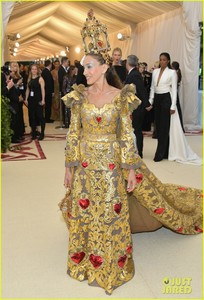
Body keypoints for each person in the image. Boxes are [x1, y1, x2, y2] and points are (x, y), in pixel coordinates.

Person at [59, 11, 202, 295]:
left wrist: (132, 169)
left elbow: (126, 136)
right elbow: (74, 132)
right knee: (87, 210)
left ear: (102, 68)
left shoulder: (121, 96)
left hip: (112, 165)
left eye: (88, 67)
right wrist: (68, 166)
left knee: (111, 213)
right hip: (86, 165)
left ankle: (114, 263)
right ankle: (86, 259)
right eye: (82, 67)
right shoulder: (79, 96)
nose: (83, 72)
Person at [147, 52, 201, 164]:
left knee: (164, 127)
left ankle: (160, 153)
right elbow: (152, 88)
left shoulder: (172, 73)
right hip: (157, 99)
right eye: (160, 59)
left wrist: (173, 105)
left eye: (164, 60)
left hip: (166, 99)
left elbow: (174, 90)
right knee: (158, 125)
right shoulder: (155, 72)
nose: (162, 61)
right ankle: (165, 152)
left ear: (168, 61)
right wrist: (151, 101)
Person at [125, 55, 150, 158]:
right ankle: (136, 150)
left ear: (128, 63)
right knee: (135, 129)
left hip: (137, 107)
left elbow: (141, 90)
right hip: (134, 106)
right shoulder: (134, 73)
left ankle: (139, 152)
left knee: (137, 130)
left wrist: (146, 104)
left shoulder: (134, 74)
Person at [25, 64, 45, 140]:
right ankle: (33, 133)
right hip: (31, 101)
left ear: (37, 70)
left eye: (35, 69)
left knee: (40, 117)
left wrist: (43, 100)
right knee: (32, 117)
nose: (34, 70)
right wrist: (26, 99)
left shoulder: (40, 79)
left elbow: (43, 90)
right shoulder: (29, 79)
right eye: (32, 69)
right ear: (30, 70)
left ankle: (42, 133)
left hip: (38, 100)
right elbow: (28, 89)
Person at [171, 61, 185, 132]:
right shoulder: (177, 73)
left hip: (173, 94)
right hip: (175, 94)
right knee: (177, 110)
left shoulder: (174, 74)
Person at [58, 56, 69, 127]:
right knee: (64, 106)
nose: (68, 63)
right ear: (64, 62)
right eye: (67, 62)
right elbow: (61, 81)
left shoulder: (65, 69)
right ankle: (65, 121)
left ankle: (67, 120)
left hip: (66, 90)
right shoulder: (61, 70)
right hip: (64, 90)